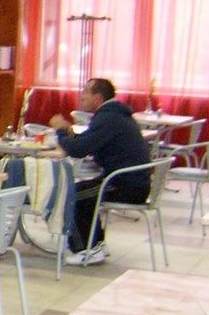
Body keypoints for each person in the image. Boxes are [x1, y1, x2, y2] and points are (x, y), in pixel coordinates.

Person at [49, 77, 151, 266]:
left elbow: (79, 150)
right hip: (130, 181)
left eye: (85, 92)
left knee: (73, 194)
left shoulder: (108, 117)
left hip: (125, 185)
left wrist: (61, 132)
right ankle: (96, 245)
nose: (81, 96)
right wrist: (70, 134)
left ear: (97, 97)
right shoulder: (115, 114)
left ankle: (86, 249)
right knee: (84, 191)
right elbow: (88, 142)